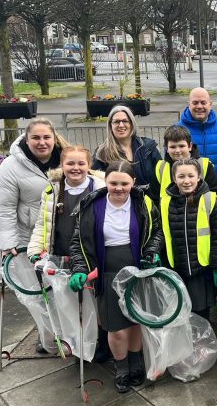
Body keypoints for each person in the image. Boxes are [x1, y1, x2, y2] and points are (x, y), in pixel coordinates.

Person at [69, 161, 163, 393]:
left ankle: (135, 361)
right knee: (116, 327)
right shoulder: (92, 205)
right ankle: (121, 366)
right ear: (106, 182)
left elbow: (156, 232)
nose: (119, 188)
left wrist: (151, 252)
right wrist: (80, 269)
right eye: (113, 183)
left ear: (133, 183)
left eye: (124, 183)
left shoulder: (143, 202)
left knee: (136, 321)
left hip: (136, 269)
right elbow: (78, 242)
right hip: (106, 271)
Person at [0, 117, 67, 353]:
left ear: (54, 138)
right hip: (30, 238)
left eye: (47, 137)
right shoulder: (10, 167)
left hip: (62, 236)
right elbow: (3, 208)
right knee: (38, 292)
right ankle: (47, 336)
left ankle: (67, 335)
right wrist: (8, 244)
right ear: (26, 139)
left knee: (61, 290)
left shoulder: (66, 159)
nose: (42, 142)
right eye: (36, 137)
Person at [160, 158, 217, 320]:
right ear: (174, 179)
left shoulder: (210, 199)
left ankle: (201, 344)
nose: (186, 181)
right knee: (180, 310)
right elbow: (162, 233)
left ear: (198, 177)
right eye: (181, 177)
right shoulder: (165, 202)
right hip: (176, 267)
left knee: (200, 311)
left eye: (191, 176)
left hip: (201, 268)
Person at [28, 146, 105, 262]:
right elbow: (42, 225)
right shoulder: (51, 193)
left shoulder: (101, 191)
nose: (75, 168)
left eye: (81, 164)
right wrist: (35, 250)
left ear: (89, 165)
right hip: (60, 256)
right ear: (62, 165)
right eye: (70, 164)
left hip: (90, 258)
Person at [177, 87, 217, 183]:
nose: (199, 106)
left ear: (210, 104)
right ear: (189, 104)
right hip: (188, 187)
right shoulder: (178, 130)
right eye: (195, 103)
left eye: (203, 102)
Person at [92, 105, 161, 188]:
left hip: (150, 199)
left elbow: (162, 177)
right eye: (116, 122)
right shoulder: (101, 153)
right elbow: (97, 184)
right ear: (110, 125)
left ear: (132, 123)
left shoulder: (148, 148)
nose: (121, 125)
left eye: (125, 121)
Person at [152, 125, 217, 200]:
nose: (177, 151)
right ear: (166, 148)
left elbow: (215, 193)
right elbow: (155, 196)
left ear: (190, 146)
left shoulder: (205, 165)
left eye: (181, 146)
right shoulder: (160, 167)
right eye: (173, 147)